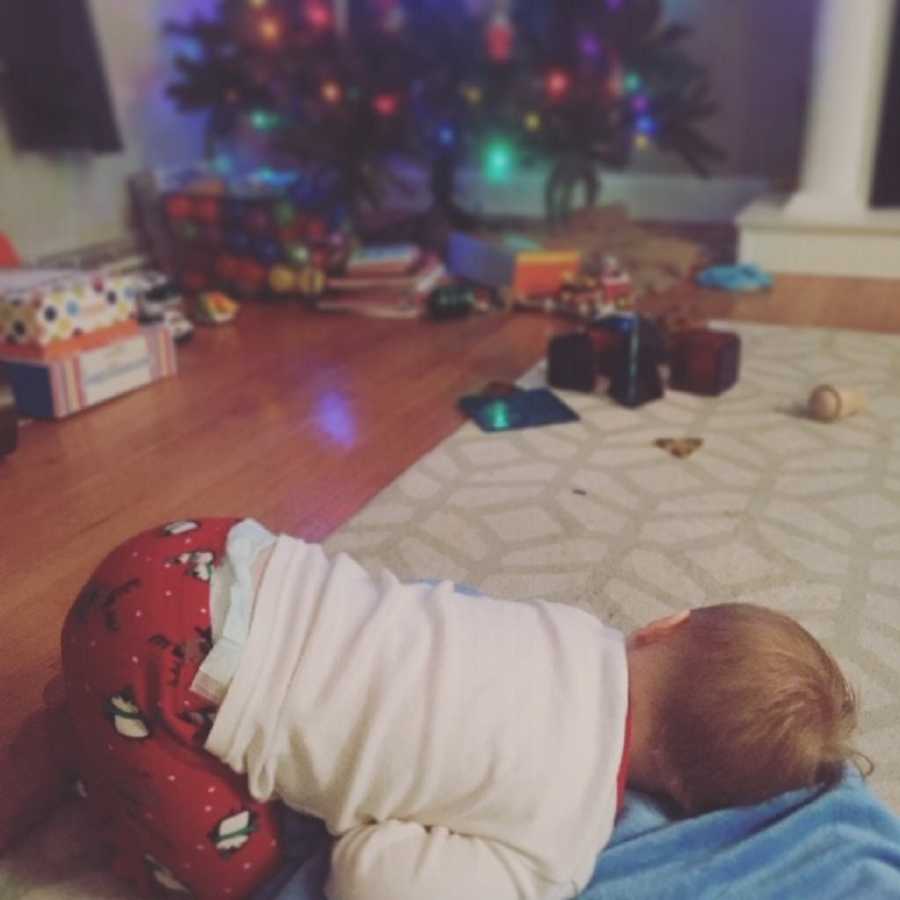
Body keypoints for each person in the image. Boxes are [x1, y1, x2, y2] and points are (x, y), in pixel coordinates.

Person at [61, 518, 869, 900]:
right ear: (683, 801)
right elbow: (365, 876)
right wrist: (382, 817)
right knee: (234, 877)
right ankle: (103, 746)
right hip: (164, 673)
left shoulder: (569, 629)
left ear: (662, 628)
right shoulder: (559, 845)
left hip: (206, 551)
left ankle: (91, 703)